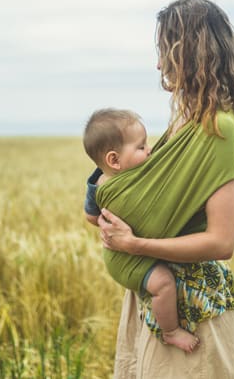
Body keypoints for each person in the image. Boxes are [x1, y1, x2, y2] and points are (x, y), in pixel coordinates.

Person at [95, 0, 234, 378]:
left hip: (192, 312)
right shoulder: (187, 119)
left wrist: (135, 245)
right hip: (154, 296)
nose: (158, 64)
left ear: (191, 54)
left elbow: (222, 242)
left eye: (164, 52)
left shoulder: (219, 128)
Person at [82, 108, 200, 353]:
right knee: (163, 283)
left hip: (129, 247)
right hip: (123, 259)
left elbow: (90, 215)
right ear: (114, 160)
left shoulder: (133, 176)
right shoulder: (102, 185)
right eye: (141, 147)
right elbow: (91, 216)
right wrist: (107, 224)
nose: (149, 150)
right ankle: (170, 331)